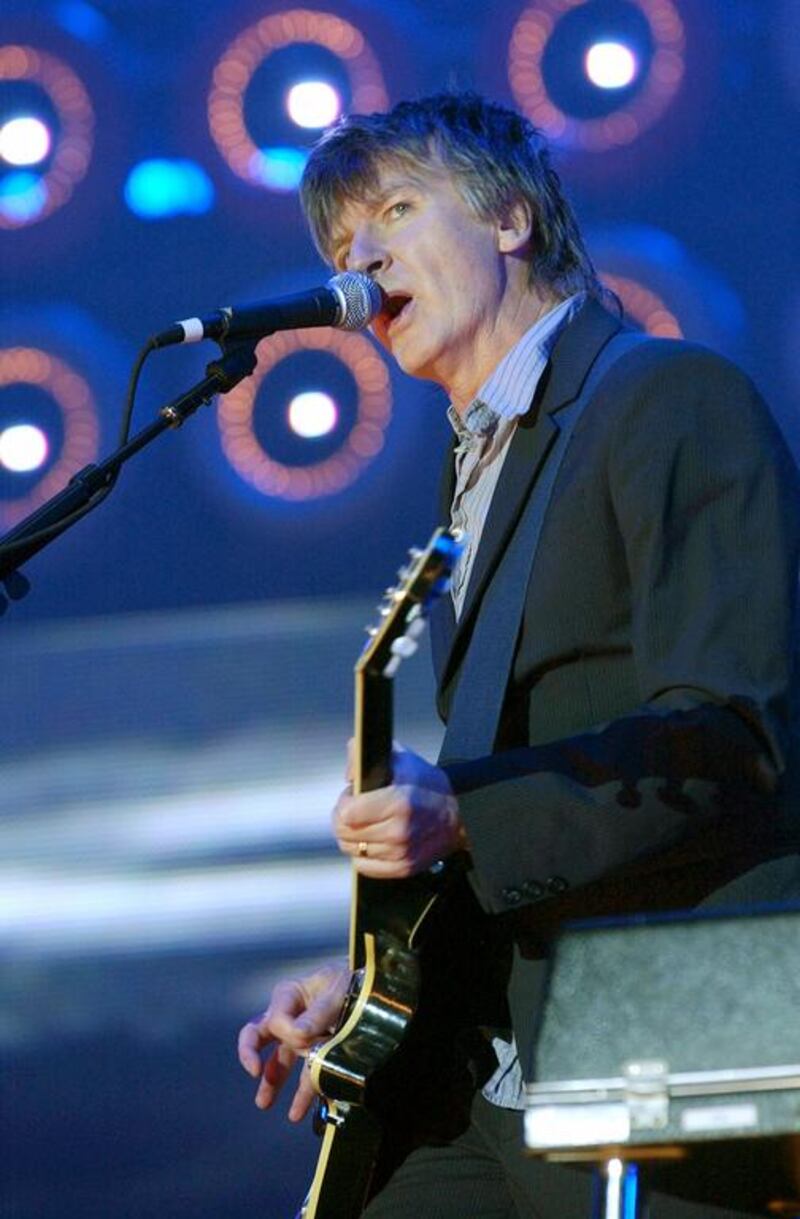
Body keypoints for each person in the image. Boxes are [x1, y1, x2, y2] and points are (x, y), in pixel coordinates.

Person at [237, 92, 800, 1217]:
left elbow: (735, 731)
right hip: (485, 1061)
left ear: (508, 220)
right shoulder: (473, 470)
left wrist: (460, 818)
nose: (365, 260)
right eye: (346, 244)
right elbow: (526, 776)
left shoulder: (665, 398)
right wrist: (375, 982)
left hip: (658, 1041)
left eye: (397, 210)